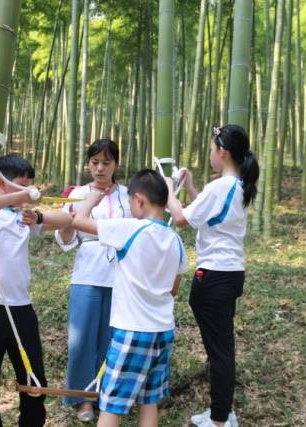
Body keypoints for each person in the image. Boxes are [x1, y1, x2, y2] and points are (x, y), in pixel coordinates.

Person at [72, 169, 188, 427]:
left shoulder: (129, 229)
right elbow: (173, 289)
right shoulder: (176, 241)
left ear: (138, 200)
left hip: (131, 331)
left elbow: (79, 222)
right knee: (149, 402)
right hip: (163, 332)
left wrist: (92, 199)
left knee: (112, 405)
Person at [166, 125, 260, 427]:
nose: (210, 155)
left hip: (214, 276)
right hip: (231, 273)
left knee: (220, 352)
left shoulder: (221, 186)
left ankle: (219, 419)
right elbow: (206, 215)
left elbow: (181, 219)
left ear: (223, 152)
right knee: (222, 348)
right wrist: (192, 188)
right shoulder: (236, 185)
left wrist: (169, 191)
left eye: (211, 149)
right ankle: (221, 411)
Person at [0, 154, 72, 427]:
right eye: (21, 184)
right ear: (1, 183)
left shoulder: (22, 217)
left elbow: (66, 219)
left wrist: (36, 213)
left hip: (22, 310)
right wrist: (18, 197)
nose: (28, 190)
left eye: (30, 184)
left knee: (35, 381)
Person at [55, 139, 131, 422]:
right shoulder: (78, 193)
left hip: (121, 275)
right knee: (82, 337)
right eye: (94, 162)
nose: (100, 168)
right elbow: (66, 238)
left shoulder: (128, 194)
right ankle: (82, 399)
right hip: (87, 272)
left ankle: (107, 394)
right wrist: (66, 223)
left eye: (106, 163)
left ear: (116, 165)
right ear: (88, 164)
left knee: (112, 338)